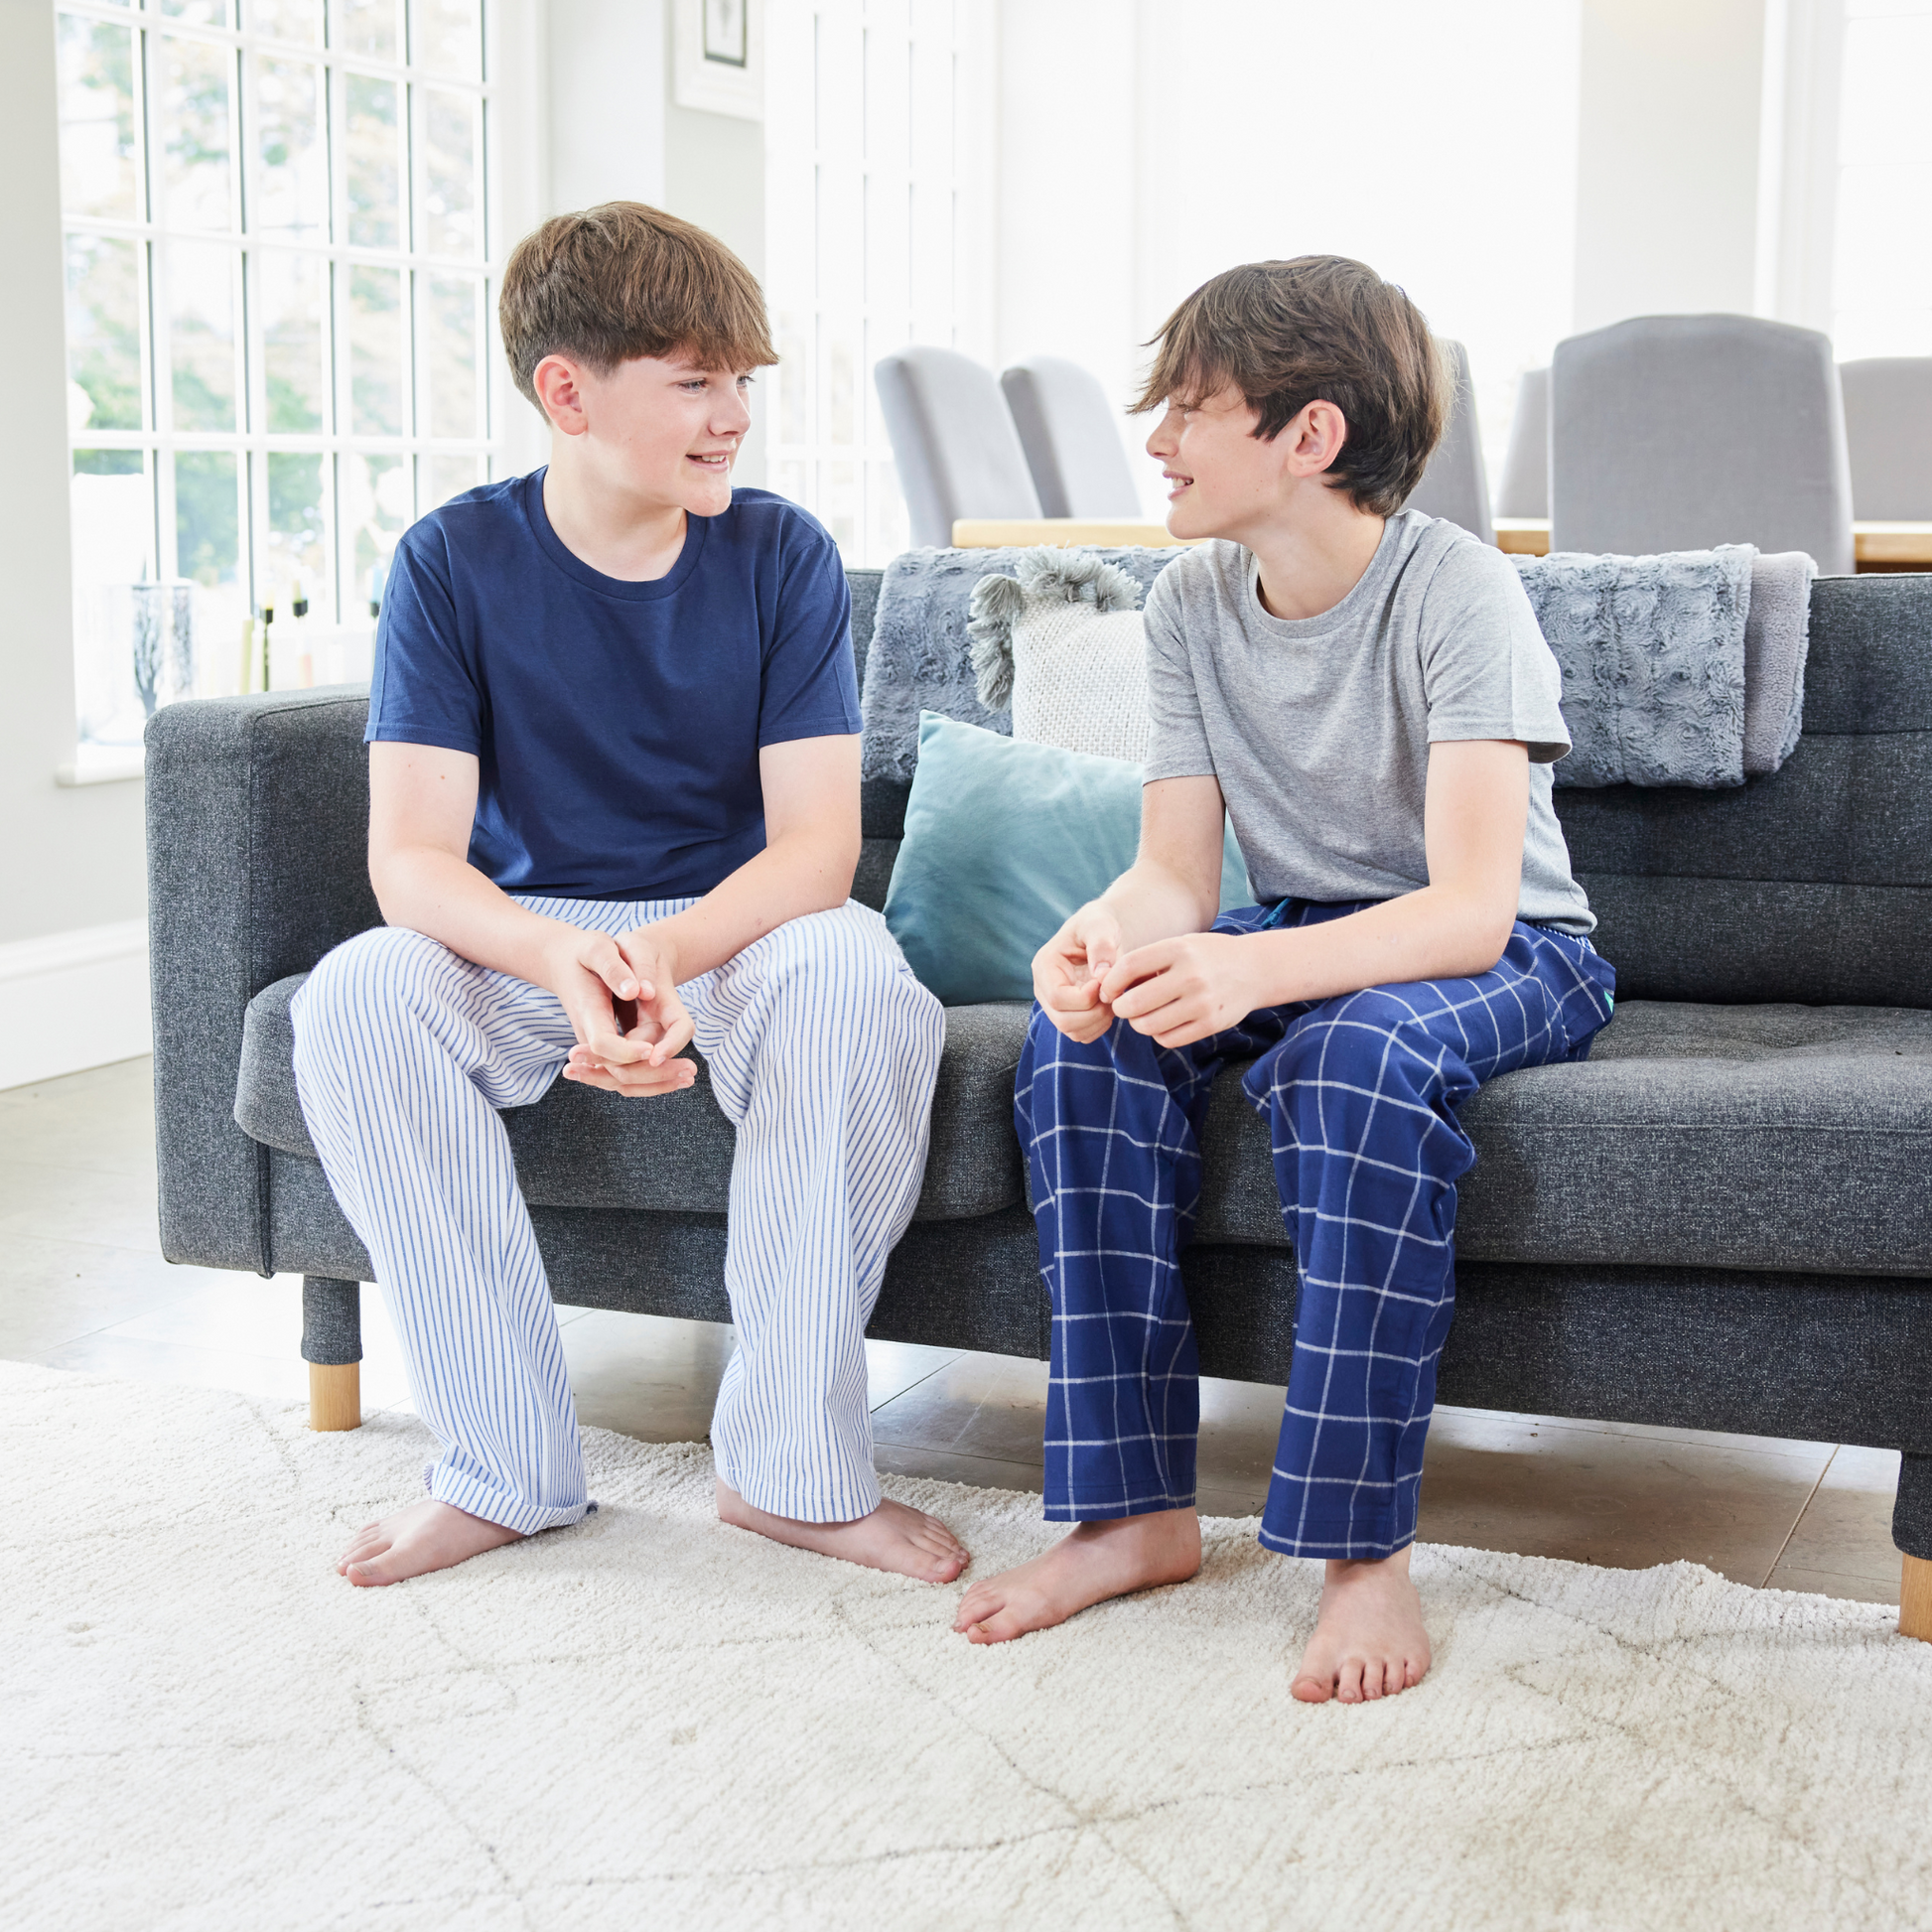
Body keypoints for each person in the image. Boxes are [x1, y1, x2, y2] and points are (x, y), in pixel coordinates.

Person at [952, 256, 1614, 1701]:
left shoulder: (1457, 590)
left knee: (1351, 1059)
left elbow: (1465, 911)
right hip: (1310, 921)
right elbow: (1176, 874)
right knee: (1084, 1045)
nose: (1157, 440)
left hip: (1510, 949)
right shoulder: (1190, 600)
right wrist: (1104, 937)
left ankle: (1361, 1554)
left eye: (1189, 408)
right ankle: (1131, 1513)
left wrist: (1255, 979)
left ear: (1307, 436)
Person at [292, 202, 963, 1589]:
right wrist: (559, 961)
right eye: (695, 380)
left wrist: (656, 954)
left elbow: (815, 853)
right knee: (353, 994)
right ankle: (501, 1467)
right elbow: (410, 860)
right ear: (566, 390)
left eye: (744, 383)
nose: (734, 418)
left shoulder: (781, 557)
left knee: (857, 977)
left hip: (742, 928)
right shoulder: (449, 562)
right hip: (530, 939)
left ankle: (789, 1471)